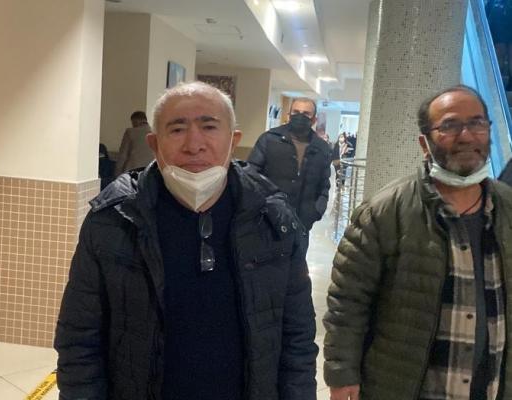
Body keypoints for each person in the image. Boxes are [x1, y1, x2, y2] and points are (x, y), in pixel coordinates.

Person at [54, 81, 317, 400]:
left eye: (209, 127)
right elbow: (79, 337)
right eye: (177, 129)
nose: (194, 145)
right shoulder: (114, 220)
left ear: (233, 140)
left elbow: (297, 337)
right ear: (154, 143)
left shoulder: (273, 220)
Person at [323, 85, 512, 400]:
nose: (466, 136)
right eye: (449, 125)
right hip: (406, 387)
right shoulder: (384, 212)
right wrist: (342, 375)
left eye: (477, 123)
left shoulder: (507, 208)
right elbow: (348, 301)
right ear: (425, 143)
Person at [248, 97, 332, 254]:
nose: (300, 116)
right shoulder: (269, 139)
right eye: (296, 112)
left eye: (306, 114)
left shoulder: (322, 148)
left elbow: (324, 186)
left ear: (314, 119)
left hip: (301, 224)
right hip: (267, 222)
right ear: (289, 114)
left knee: (296, 266)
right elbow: (251, 176)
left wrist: (316, 211)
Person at [115, 111, 154, 175]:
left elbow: (123, 156)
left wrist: (117, 173)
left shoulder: (130, 132)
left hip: (132, 171)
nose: (133, 125)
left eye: (132, 122)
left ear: (136, 120)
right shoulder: (155, 133)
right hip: (150, 172)